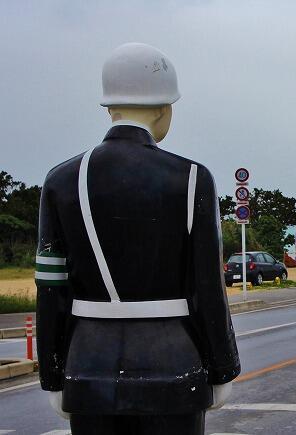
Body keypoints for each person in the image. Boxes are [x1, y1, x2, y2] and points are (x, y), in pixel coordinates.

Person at [36, 43, 240, 435]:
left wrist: (52, 374)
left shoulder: (60, 180)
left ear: (109, 108)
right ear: (164, 108)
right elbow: (207, 289)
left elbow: (51, 289)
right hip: (175, 364)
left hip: (87, 366)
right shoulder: (192, 178)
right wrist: (223, 367)